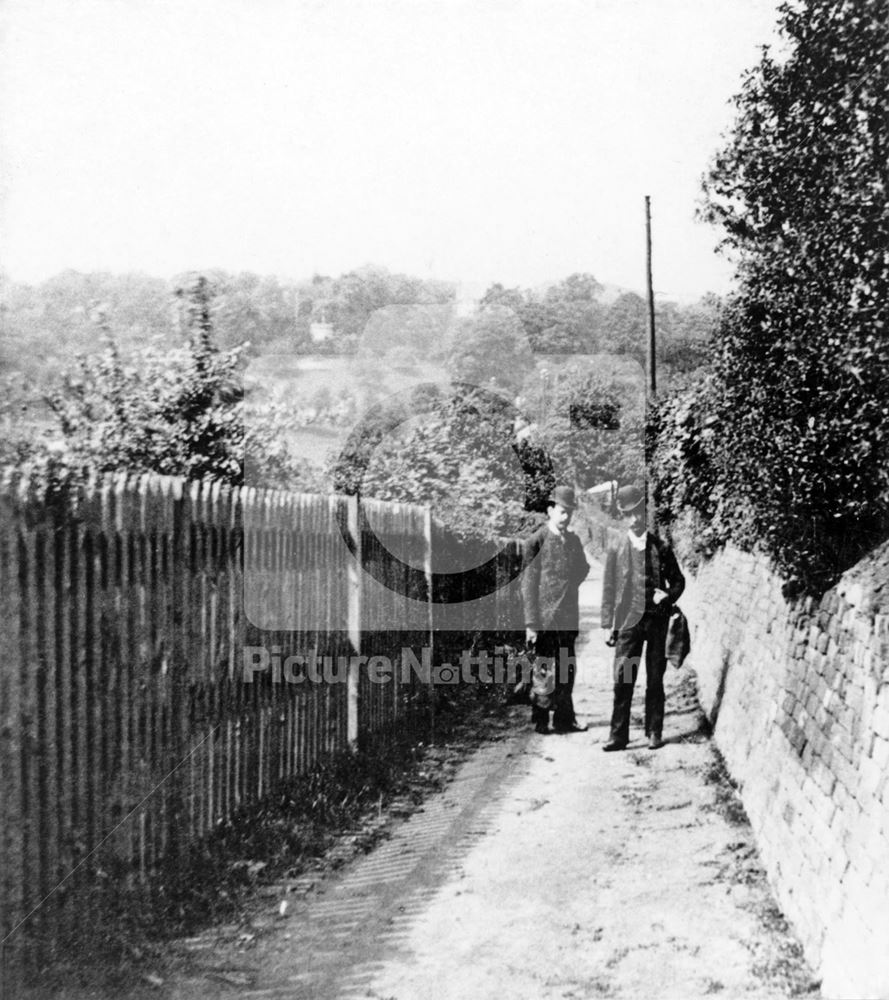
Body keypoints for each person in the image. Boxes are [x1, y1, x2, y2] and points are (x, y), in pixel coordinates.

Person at [601, 484, 685, 751]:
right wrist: (607, 624)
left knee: (655, 678)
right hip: (628, 622)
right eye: (629, 514)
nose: (635, 519)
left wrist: (668, 596)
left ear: (645, 512)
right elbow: (609, 588)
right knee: (623, 679)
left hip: (657, 621)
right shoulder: (616, 548)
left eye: (638, 512)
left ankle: (654, 731)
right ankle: (618, 736)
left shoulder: (660, 547)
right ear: (622, 516)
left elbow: (679, 581)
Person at [521, 485, 590, 734]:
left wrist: (568, 588)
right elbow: (528, 585)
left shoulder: (573, 541)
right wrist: (531, 624)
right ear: (550, 510)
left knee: (566, 670)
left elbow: (583, 569)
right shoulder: (535, 542)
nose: (566, 517)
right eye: (562, 511)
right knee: (542, 670)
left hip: (568, 617)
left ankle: (564, 719)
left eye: (570, 512)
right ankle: (540, 720)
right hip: (544, 619)